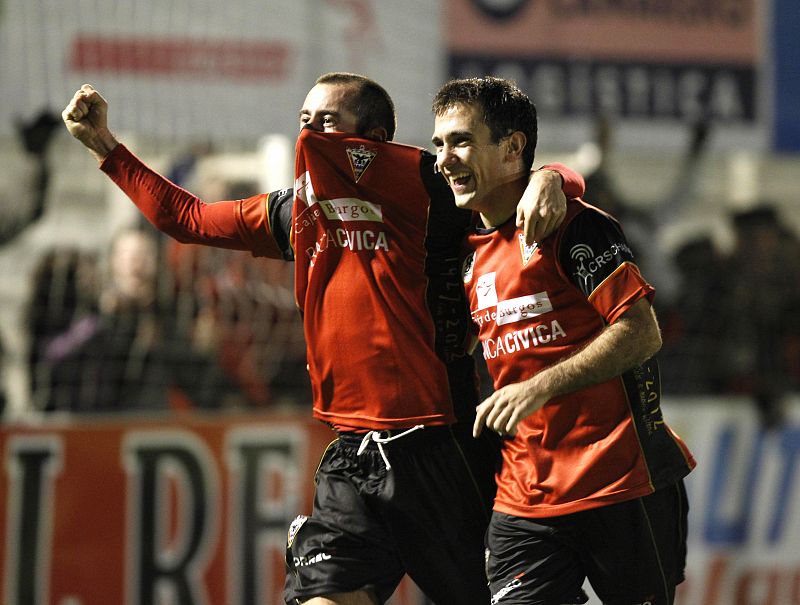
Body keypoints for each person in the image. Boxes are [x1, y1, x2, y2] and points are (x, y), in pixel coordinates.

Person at [62, 74, 584, 604]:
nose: (309, 136)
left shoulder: (428, 185)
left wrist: (556, 179)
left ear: (376, 137)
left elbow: (513, 185)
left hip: (439, 447)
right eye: (304, 121)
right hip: (352, 457)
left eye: (328, 122)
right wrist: (106, 146)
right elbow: (186, 218)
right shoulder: (297, 211)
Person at [431, 76, 695, 604]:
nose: (444, 158)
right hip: (524, 499)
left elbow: (642, 331)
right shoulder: (460, 251)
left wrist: (540, 387)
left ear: (511, 149)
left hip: (621, 482)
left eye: (460, 141)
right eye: (438, 143)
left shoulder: (578, 228)